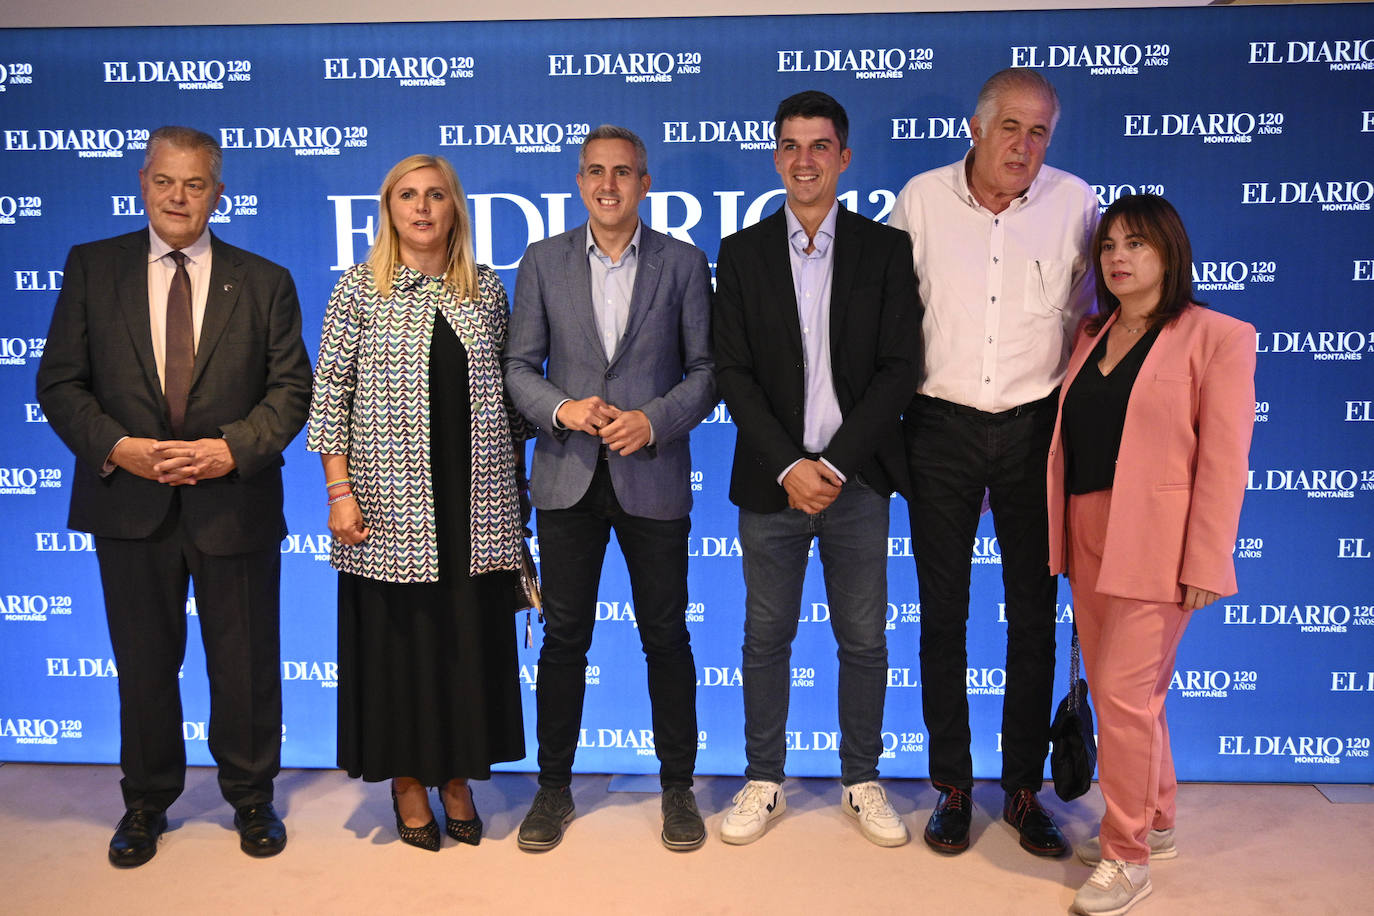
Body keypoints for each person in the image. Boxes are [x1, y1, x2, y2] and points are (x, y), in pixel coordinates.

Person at [35, 125, 312, 866]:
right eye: (166, 181)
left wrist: (231, 450)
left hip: (236, 504)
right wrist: (118, 448)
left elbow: (291, 392)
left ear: (218, 193)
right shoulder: (93, 269)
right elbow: (59, 383)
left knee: (247, 665)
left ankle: (252, 800)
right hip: (129, 504)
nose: (180, 197)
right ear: (142, 182)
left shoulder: (265, 280)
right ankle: (146, 804)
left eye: (196, 184)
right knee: (145, 664)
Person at [887, 67, 1097, 857]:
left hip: (1036, 429)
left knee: (1033, 619)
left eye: (1040, 130)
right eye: (1010, 126)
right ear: (975, 129)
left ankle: (1021, 789)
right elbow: (886, 316)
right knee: (941, 617)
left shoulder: (1076, 202)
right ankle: (950, 784)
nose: (1024, 144)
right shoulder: (921, 199)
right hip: (938, 428)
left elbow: (1093, 321)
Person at [713, 90, 921, 847]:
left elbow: (900, 370)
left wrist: (830, 463)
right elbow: (732, 373)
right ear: (777, 158)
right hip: (770, 485)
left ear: (844, 157)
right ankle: (763, 778)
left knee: (864, 640)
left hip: (857, 481)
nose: (805, 160)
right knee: (766, 638)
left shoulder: (884, 250)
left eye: (820, 145)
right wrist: (790, 467)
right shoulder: (739, 254)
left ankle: (861, 779)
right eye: (792, 146)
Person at [306, 154, 528, 851]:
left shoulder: (486, 291)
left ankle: (459, 777)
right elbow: (329, 399)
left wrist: (519, 504)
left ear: (455, 207)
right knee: (400, 646)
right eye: (409, 195)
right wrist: (339, 493)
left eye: (436, 195)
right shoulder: (358, 291)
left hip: (474, 507)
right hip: (385, 508)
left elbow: (512, 401)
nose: (423, 207)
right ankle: (407, 783)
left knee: (464, 642)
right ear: (389, 208)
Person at [503, 125, 715, 852]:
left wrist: (651, 423)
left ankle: (678, 790)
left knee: (667, 639)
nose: (608, 185)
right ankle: (553, 790)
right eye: (595, 171)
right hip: (566, 477)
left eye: (623, 172)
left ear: (645, 183)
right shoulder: (541, 262)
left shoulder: (684, 263)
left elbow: (707, 372)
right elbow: (518, 366)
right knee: (563, 641)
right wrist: (563, 409)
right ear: (578, 180)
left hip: (650, 475)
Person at [1047, 194, 1255, 915]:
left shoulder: (1218, 336)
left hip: (1160, 548)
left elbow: (1225, 463)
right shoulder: (1090, 335)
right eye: (1108, 245)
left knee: (1127, 700)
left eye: (1136, 243)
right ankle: (1156, 819)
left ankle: (1127, 855)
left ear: (1170, 252)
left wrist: (1206, 559)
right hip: (1087, 535)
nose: (1118, 257)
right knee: (1127, 697)